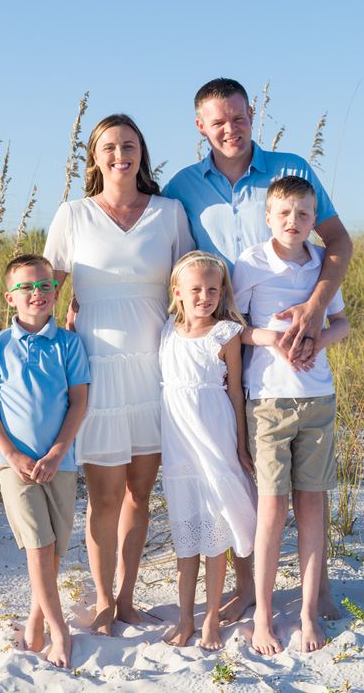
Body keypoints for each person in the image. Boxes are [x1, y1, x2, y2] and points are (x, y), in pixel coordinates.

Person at [163, 77, 353, 623]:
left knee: (305, 486)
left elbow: (336, 241)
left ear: (254, 115)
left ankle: (316, 591)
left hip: (296, 351)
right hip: (227, 342)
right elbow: (178, 269)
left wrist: (316, 310)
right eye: (217, 120)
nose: (230, 128)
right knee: (241, 466)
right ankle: (251, 590)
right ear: (200, 126)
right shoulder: (182, 187)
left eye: (239, 117)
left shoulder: (289, 169)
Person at [44, 114, 193, 635]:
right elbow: (45, 290)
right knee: (104, 496)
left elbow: (192, 284)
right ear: (94, 157)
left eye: (129, 145)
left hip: (156, 371)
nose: (119, 154)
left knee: (139, 494)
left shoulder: (170, 213)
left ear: (142, 153)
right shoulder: (73, 215)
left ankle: (128, 600)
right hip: (97, 373)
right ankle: (104, 601)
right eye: (109, 147)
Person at [233, 176, 350, 654]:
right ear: (268, 217)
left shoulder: (323, 264)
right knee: (272, 510)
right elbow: (233, 327)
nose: (294, 223)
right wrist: (271, 340)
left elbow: (341, 322)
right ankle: (262, 615)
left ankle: (305, 612)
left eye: (304, 215)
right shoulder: (251, 264)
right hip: (268, 400)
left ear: (314, 218)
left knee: (312, 507)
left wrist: (318, 340)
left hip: (317, 398)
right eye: (284, 214)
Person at [0, 254, 90, 668]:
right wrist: (11, 454)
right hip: (16, 465)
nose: (37, 293)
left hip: (61, 461)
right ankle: (60, 632)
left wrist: (59, 451)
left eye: (45, 286)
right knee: (38, 545)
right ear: (11, 298)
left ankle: (36, 620)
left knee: (56, 548)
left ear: (56, 292)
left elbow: (78, 401)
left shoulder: (69, 344)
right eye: (26, 287)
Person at [159, 251, 257, 650]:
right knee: (187, 535)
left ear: (222, 293)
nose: (204, 297)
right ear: (177, 292)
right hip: (179, 445)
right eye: (195, 289)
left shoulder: (226, 334)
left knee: (216, 534)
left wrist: (240, 445)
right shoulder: (166, 328)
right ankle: (186, 617)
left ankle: (212, 619)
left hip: (214, 439)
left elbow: (235, 392)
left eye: (212, 289)